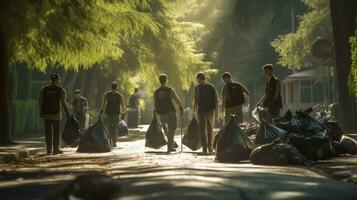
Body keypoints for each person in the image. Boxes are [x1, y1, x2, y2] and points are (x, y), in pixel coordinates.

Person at [39, 73, 70, 155]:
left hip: (46, 114)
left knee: (48, 132)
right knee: (56, 132)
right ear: (56, 80)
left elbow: (40, 101)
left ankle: (49, 149)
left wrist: (41, 111)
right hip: (56, 114)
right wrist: (67, 113)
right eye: (58, 79)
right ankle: (56, 149)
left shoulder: (44, 89)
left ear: (51, 80)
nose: (59, 81)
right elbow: (63, 102)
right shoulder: (61, 90)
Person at [153, 74, 184, 153]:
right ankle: (170, 146)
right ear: (166, 80)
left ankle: (171, 144)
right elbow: (176, 100)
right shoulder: (170, 90)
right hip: (170, 112)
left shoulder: (156, 92)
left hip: (161, 113)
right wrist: (180, 107)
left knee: (165, 128)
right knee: (172, 128)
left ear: (159, 81)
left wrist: (154, 110)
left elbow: (154, 102)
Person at [193, 72, 218, 154]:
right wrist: (216, 111)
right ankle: (209, 147)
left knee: (202, 129)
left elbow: (196, 100)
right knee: (210, 128)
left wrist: (194, 110)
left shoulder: (198, 87)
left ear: (200, 79)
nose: (197, 81)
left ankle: (204, 147)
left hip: (201, 110)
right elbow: (216, 100)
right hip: (210, 110)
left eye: (198, 79)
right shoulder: (212, 87)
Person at [99, 82, 125, 147]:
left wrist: (101, 111)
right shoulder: (120, 95)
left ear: (111, 87)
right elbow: (122, 105)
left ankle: (110, 140)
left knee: (109, 127)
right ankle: (114, 142)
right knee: (115, 128)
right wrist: (123, 113)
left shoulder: (106, 94)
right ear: (117, 87)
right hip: (116, 113)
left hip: (109, 113)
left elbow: (104, 104)